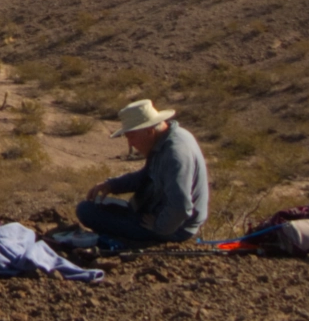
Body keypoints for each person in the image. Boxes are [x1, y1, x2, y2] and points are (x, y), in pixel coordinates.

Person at [75, 98, 210, 244]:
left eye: (131, 136)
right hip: (156, 213)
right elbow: (146, 176)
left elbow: (181, 207)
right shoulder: (164, 141)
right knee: (93, 205)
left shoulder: (174, 154)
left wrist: (159, 227)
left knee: (86, 211)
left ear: (149, 131)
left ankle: (139, 241)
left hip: (176, 229)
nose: (130, 144)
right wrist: (112, 185)